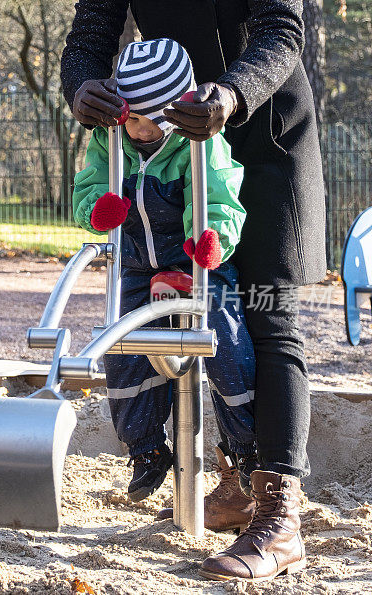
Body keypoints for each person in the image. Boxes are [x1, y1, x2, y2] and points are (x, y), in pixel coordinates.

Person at [60, 0, 326, 582]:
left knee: (265, 315)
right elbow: (89, 36)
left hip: (263, 131)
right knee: (187, 317)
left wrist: (230, 94)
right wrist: (82, 88)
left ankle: (280, 513)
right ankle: (233, 487)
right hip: (163, 135)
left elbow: (282, 29)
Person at [73, 39, 257, 511]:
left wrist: (210, 240)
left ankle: (243, 447)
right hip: (136, 262)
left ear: (175, 114)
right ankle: (146, 450)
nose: (138, 131)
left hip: (194, 259)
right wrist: (98, 211)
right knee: (122, 347)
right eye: (130, 120)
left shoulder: (200, 144)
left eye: (149, 121)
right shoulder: (109, 141)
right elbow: (89, 187)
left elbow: (219, 198)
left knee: (226, 339)